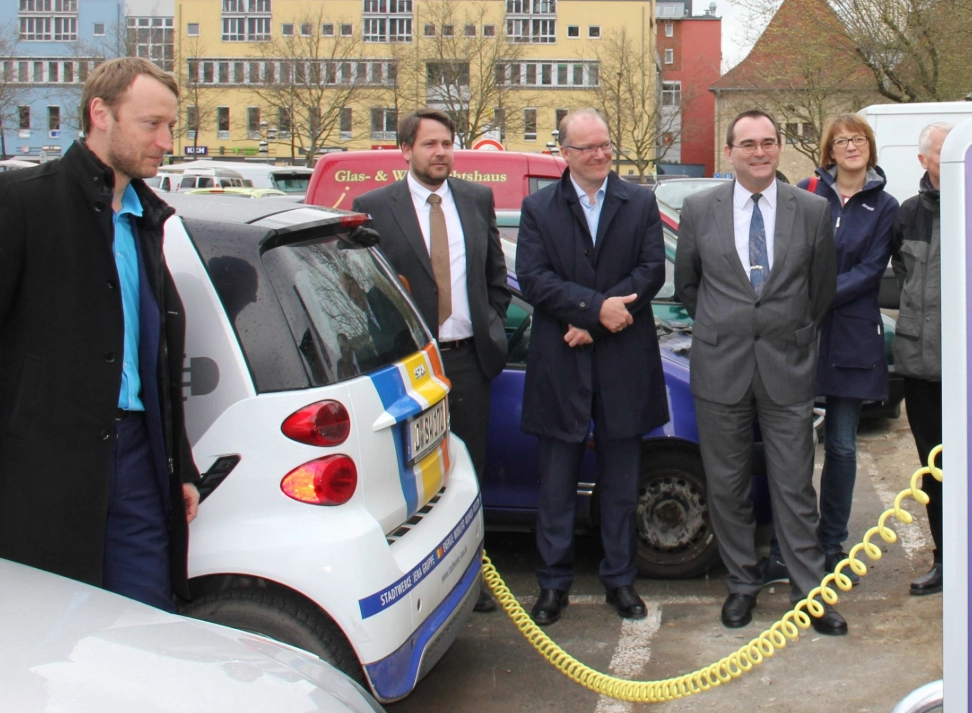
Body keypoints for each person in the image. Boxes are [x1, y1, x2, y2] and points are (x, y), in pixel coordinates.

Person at [0, 57, 201, 612]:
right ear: (101, 114)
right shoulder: (22, 203)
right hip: (45, 470)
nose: (165, 140)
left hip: (138, 456)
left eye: (170, 126)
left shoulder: (144, 218)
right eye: (151, 124)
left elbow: (155, 357)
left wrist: (178, 466)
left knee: (142, 621)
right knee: (50, 635)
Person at [673, 109, 848, 637]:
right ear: (730, 152)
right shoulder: (700, 209)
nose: (759, 152)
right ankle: (742, 585)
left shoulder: (813, 210)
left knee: (795, 486)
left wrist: (782, 328)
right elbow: (688, 286)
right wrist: (727, 323)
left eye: (768, 142)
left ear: (778, 149)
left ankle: (809, 592)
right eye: (747, 143)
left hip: (787, 367)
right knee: (726, 486)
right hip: (720, 366)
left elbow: (820, 292)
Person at [352, 108, 510, 612]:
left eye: (447, 143)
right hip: (409, 370)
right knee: (414, 481)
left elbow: (495, 276)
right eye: (429, 145)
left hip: (466, 362)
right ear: (405, 150)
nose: (441, 152)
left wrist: (490, 324)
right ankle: (419, 580)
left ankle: (471, 577)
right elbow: (363, 294)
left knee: (468, 474)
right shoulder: (375, 206)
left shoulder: (476, 198)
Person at [515, 110, 667, 625]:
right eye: (588, 148)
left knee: (622, 486)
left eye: (605, 144)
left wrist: (598, 321)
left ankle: (620, 581)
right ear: (566, 154)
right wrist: (593, 310)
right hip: (562, 364)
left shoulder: (640, 202)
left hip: (624, 364)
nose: (601, 154)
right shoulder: (538, 208)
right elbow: (533, 279)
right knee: (555, 487)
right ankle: (553, 585)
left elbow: (650, 272)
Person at [762, 113, 900, 586]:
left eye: (858, 139)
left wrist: (816, 295)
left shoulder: (885, 206)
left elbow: (870, 270)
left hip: (852, 337)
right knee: (792, 446)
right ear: (828, 151)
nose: (851, 147)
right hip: (800, 335)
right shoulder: (807, 193)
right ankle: (787, 545)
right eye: (841, 141)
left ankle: (831, 544)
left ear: (870, 147)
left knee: (841, 446)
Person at [891, 121, 952, 596]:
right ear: (924, 161)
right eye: (943, 151)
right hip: (919, 366)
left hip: (968, 371)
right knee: (933, 471)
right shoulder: (907, 214)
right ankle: (944, 559)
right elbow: (901, 275)